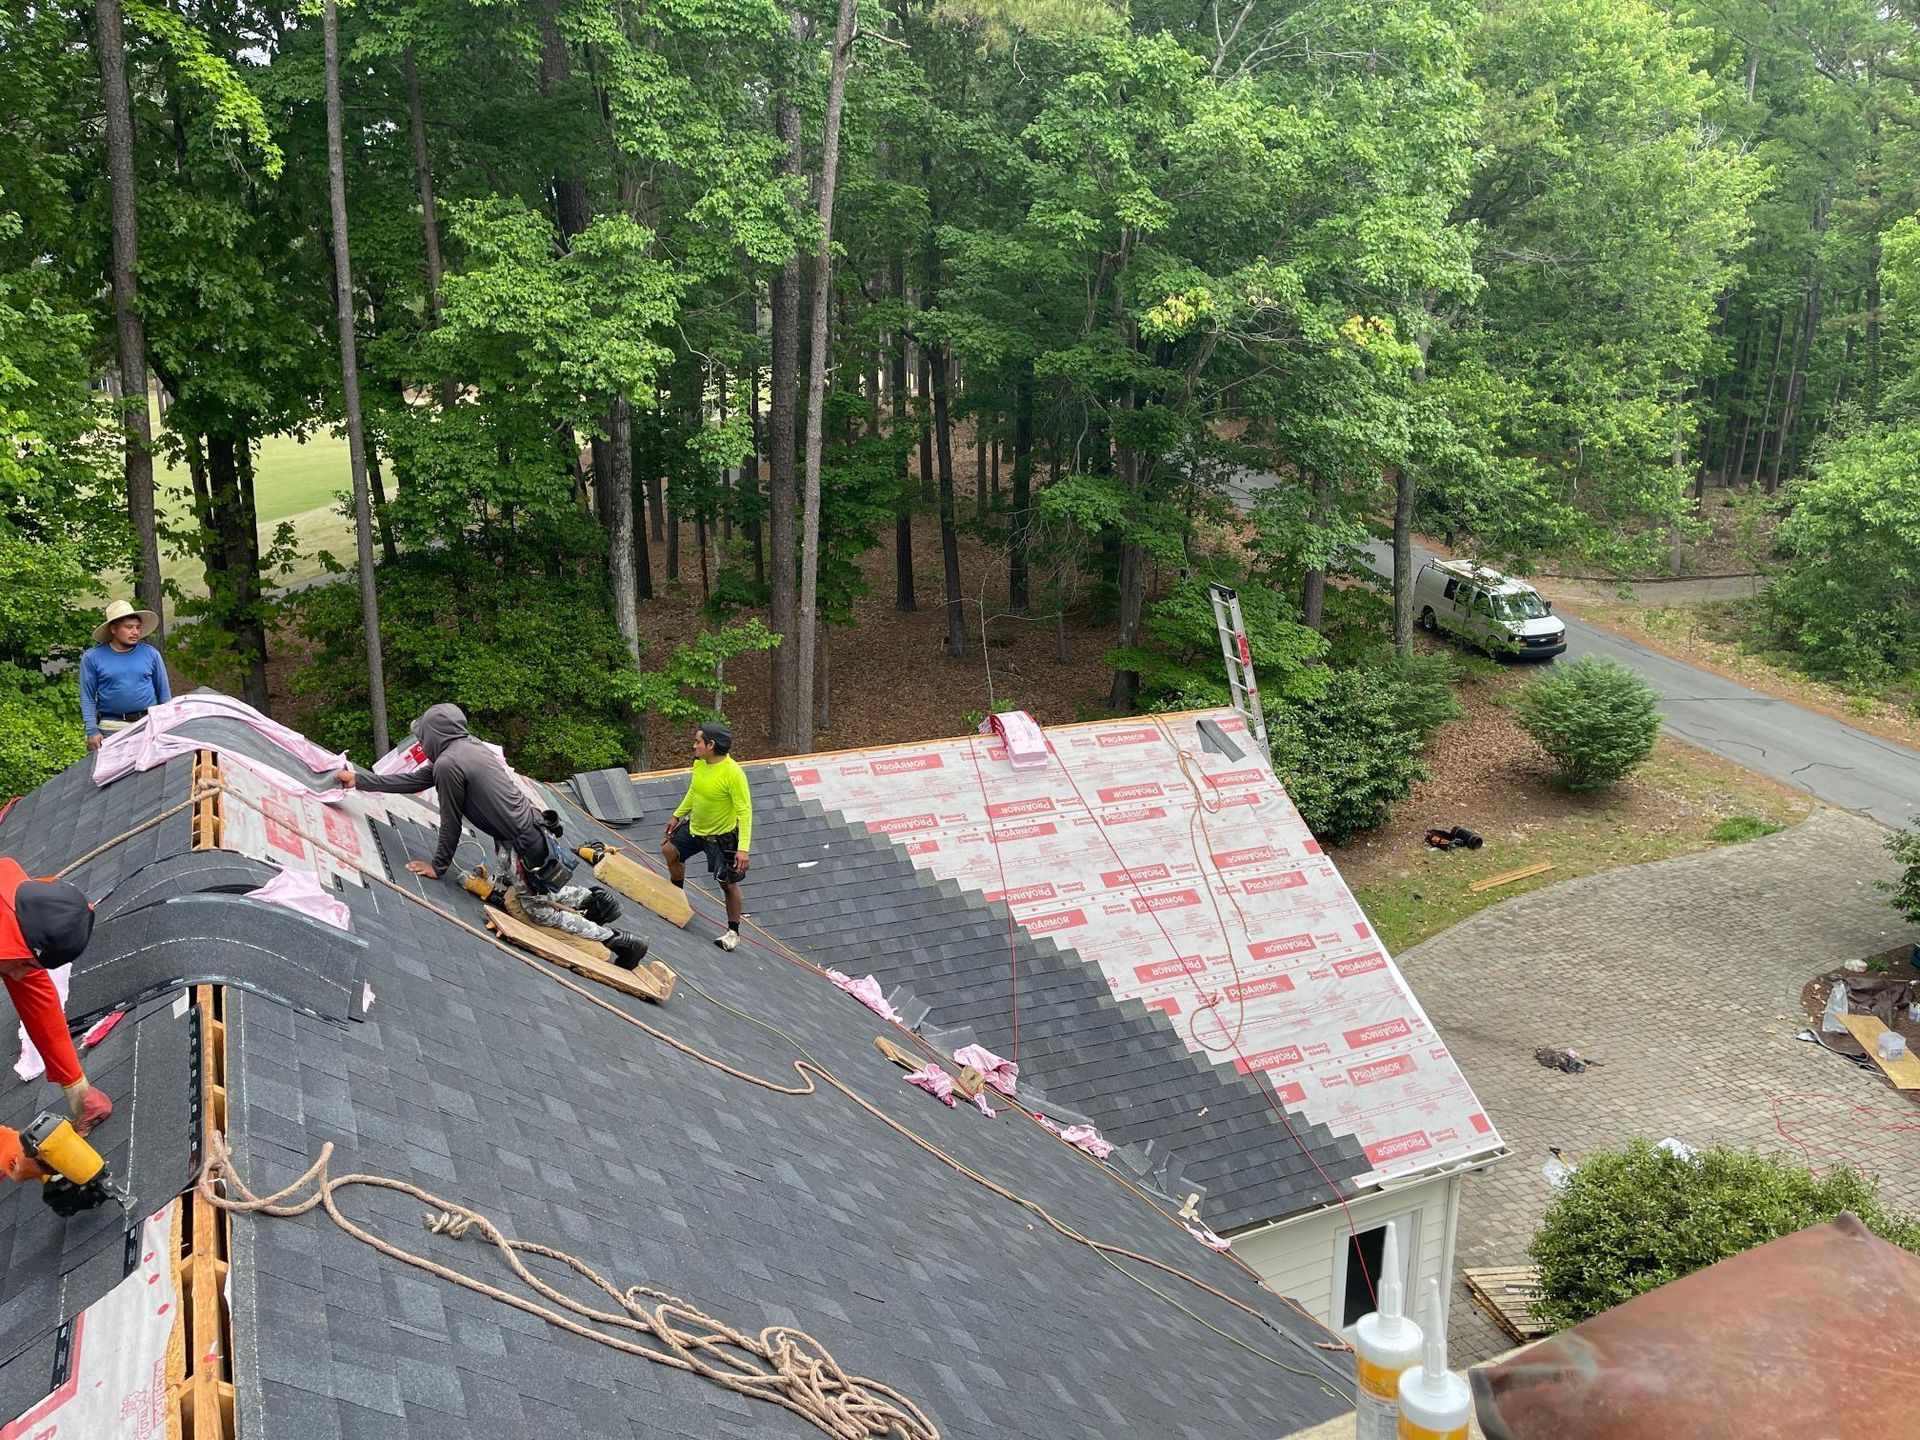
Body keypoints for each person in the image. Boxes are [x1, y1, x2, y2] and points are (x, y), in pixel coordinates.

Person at [337, 705, 650, 967]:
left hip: (522, 845)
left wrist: (438, 866)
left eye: (423, 738)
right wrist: (359, 780)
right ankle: (593, 899)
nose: (421, 745)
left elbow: (450, 822)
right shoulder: (467, 749)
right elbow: (409, 782)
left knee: (536, 910)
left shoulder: (448, 764)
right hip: (528, 834)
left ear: (434, 735)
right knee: (525, 893)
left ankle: (619, 941)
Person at [0, 858, 114, 1183]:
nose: (24, 973)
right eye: (24, 963)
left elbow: (42, 1009)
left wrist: (79, 1091)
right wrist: (10, 1153)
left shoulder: (18, 917)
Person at [663, 722, 752, 951]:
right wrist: (677, 815)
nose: (694, 745)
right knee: (669, 850)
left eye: (698, 742)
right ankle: (677, 899)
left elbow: (745, 812)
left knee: (727, 884)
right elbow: (694, 791)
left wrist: (743, 849)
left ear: (711, 745)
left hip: (721, 838)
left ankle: (733, 932)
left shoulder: (733, 774)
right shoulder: (701, 764)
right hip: (696, 829)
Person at [81, 600, 170, 751]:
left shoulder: (151, 654)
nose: (135, 632)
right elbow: (87, 697)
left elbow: (164, 694)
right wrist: (92, 731)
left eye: (137, 627)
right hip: (110, 728)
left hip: (147, 725)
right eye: (129, 627)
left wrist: (167, 724)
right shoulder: (92, 657)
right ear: (113, 629)